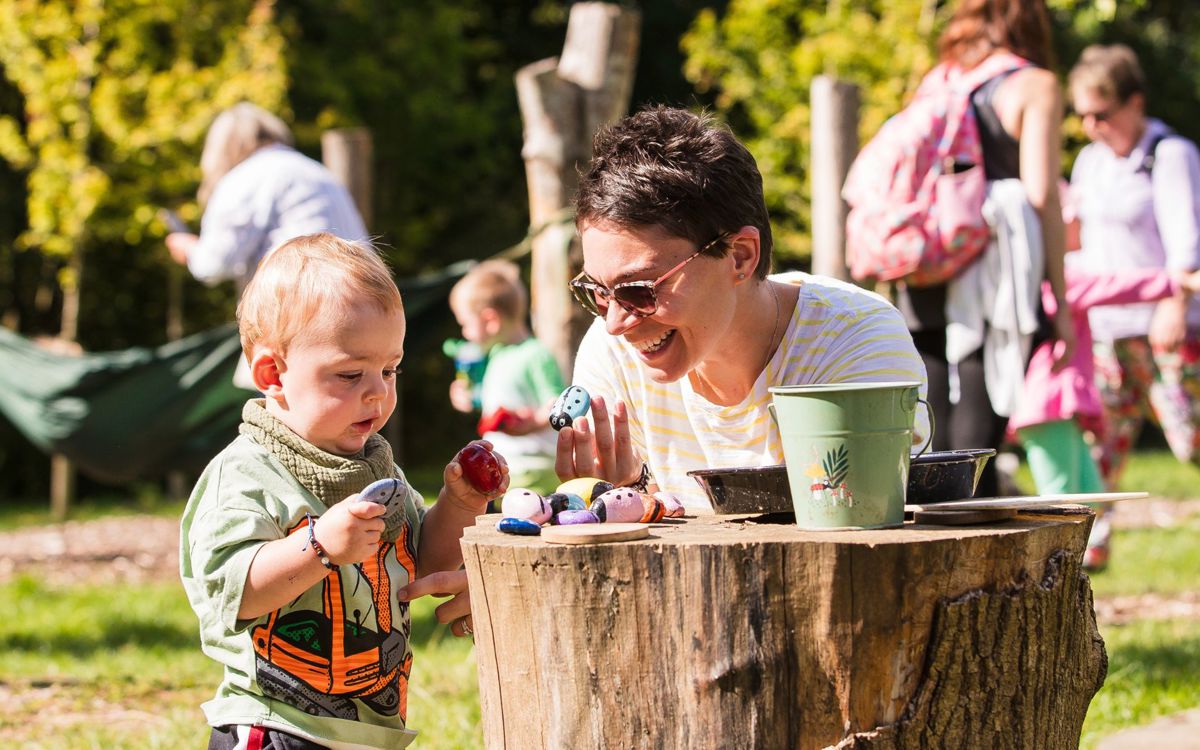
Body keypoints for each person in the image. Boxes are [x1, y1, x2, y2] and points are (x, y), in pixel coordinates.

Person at [179, 233, 500, 749]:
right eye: (350, 374)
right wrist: (319, 546)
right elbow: (231, 593)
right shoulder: (246, 474)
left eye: (389, 369)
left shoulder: (375, 465)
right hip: (276, 725)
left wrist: (459, 504)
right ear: (272, 373)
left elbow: (422, 565)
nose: (378, 390)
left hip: (368, 730)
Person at [553, 105, 929, 508]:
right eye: (598, 291)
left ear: (740, 257)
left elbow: (863, 527)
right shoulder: (610, 354)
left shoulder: (855, 339)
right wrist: (626, 497)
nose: (614, 323)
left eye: (640, 290)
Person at [892, 0, 1075, 497]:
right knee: (981, 431)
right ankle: (970, 543)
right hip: (995, 271)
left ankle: (924, 539)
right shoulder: (1033, 85)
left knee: (929, 426)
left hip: (928, 262)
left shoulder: (939, 79)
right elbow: (1042, 194)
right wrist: (1058, 297)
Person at [1067, 44, 1200, 489]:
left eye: (1102, 114)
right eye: (1084, 115)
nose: (1091, 126)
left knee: (1190, 438)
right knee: (1100, 447)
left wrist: (1174, 304)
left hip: (1164, 328)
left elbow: (1187, 238)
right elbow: (1080, 244)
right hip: (1107, 330)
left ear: (1135, 103)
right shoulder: (1090, 162)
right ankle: (1090, 547)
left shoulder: (1168, 154)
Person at [166, 102, 368, 290]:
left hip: (305, 308)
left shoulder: (244, 177)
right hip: (365, 301)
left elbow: (213, 264)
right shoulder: (315, 170)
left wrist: (190, 249)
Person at [448, 259, 565, 495]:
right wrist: (467, 397)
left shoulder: (535, 354)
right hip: (503, 468)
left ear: (490, 320)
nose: (464, 333)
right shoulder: (497, 354)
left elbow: (556, 403)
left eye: (465, 324)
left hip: (536, 468)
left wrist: (532, 422)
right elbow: (495, 400)